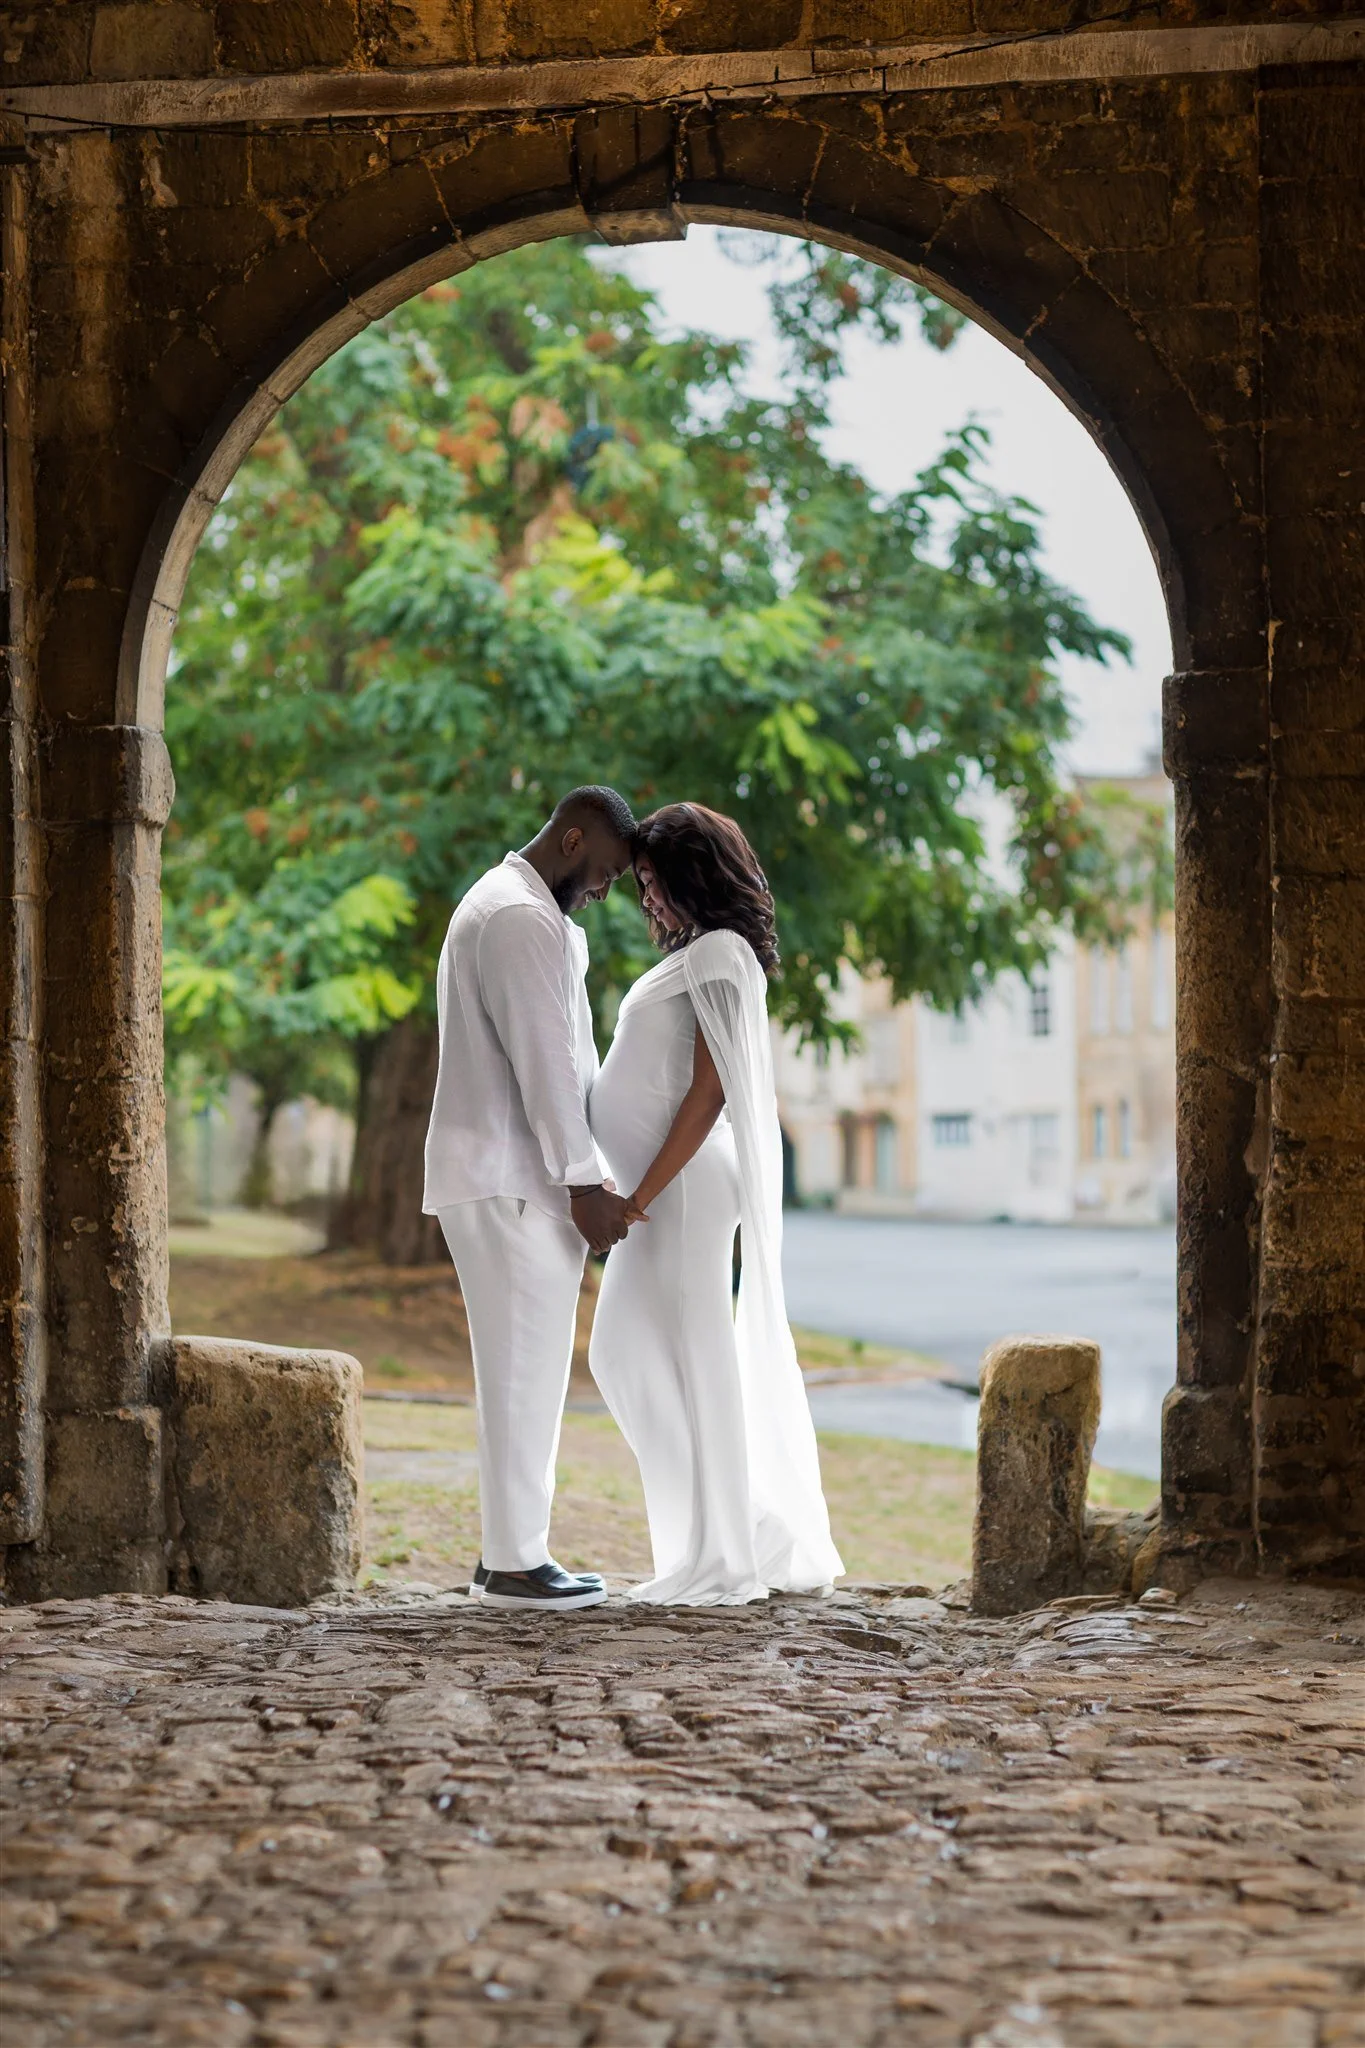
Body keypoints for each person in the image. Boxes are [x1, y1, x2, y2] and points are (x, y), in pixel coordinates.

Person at [588, 802, 844, 1605]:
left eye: (653, 882)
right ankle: (740, 1527)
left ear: (691, 874)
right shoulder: (702, 953)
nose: (645, 900)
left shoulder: (725, 955)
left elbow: (709, 1093)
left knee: (696, 1361)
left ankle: (724, 1553)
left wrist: (638, 1195)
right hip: (665, 1193)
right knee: (620, 1356)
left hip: (686, 1192)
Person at [422, 787, 636, 1610]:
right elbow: (545, 1065)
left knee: (525, 1368)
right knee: (522, 1370)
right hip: (514, 1179)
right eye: (605, 871)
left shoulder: (514, 907)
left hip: (507, 1175)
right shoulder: (517, 917)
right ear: (571, 838)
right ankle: (513, 1564)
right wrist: (584, 1182)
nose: (606, 890)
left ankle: (506, 1554)